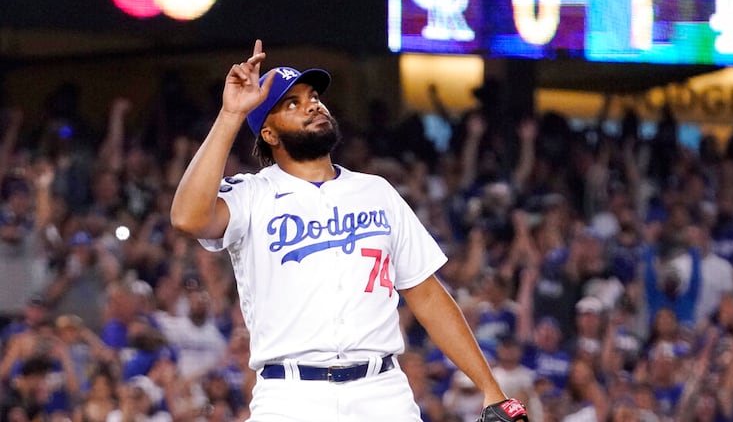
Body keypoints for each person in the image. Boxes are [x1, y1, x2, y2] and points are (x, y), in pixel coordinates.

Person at [169, 40, 527, 421]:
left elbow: (426, 295)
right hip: (291, 395)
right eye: (292, 104)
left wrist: (492, 390)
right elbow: (187, 218)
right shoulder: (251, 194)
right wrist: (230, 115)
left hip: (382, 390)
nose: (311, 105)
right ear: (270, 135)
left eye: (312, 97)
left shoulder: (376, 191)